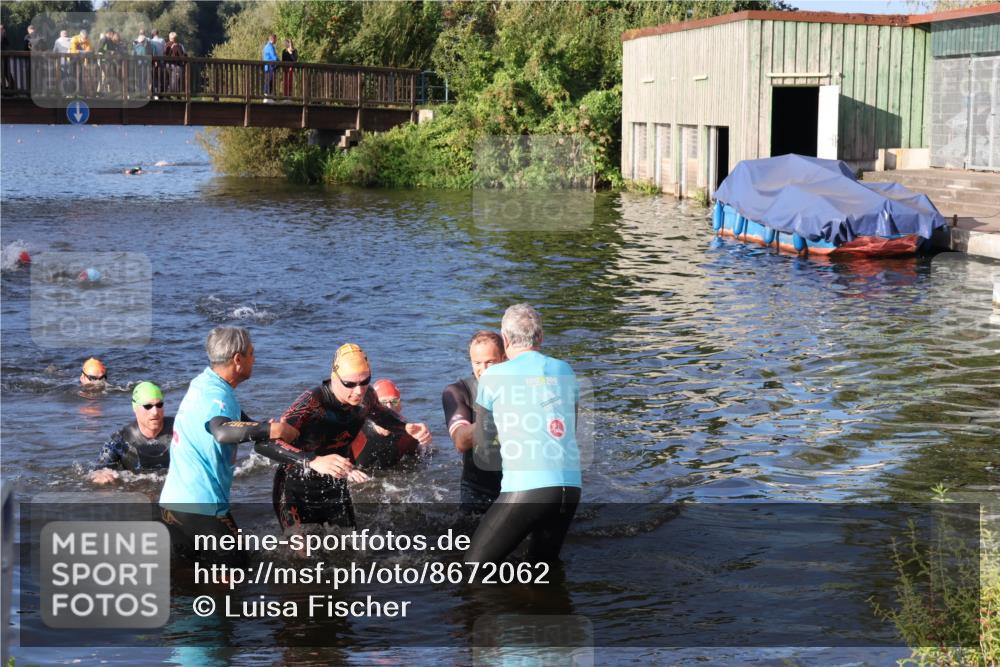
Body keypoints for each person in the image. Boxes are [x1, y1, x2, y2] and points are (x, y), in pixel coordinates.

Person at [159, 327, 299, 567]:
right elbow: (223, 431)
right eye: (251, 353)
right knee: (238, 577)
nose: (255, 359)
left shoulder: (204, 383)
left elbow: (245, 428)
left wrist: (295, 450)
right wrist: (275, 430)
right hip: (203, 510)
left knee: (188, 584)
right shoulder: (217, 396)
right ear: (237, 359)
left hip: (171, 508)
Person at [255, 343, 432, 531]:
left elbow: (381, 415)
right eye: (350, 384)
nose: (359, 391)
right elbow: (264, 444)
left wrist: (405, 427)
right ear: (334, 378)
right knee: (299, 556)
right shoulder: (312, 402)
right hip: (294, 486)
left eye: (365, 382)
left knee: (350, 549)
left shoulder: (368, 396)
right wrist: (313, 460)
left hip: (335, 485)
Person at [465, 304, 582, 566]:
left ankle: (495, 607)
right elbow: (568, 430)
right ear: (540, 337)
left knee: (474, 569)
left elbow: (483, 448)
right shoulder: (565, 370)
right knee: (542, 568)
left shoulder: (493, 376)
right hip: (571, 487)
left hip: (527, 489)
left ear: (505, 340)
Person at [442, 331, 506, 515]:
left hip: (516, 486)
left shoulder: (518, 388)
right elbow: (460, 441)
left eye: (490, 362)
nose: (483, 370)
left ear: (503, 359)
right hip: (477, 489)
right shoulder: (458, 391)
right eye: (477, 363)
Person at [90, 382, 173, 484]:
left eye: (159, 405)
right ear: (135, 408)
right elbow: (97, 470)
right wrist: (101, 475)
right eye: (148, 406)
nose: (155, 412)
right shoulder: (120, 440)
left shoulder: (181, 429)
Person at [353, 379, 422, 470]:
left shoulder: (408, 433)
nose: (389, 407)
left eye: (394, 402)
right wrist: (348, 471)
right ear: (372, 406)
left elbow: (418, 458)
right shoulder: (356, 430)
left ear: (400, 406)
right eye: (383, 402)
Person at [261, 33, 277, 100]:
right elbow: (274, 57)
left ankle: (267, 97)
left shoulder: (266, 46)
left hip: (267, 66)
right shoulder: (270, 46)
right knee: (269, 81)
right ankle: (268, 97)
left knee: (267, 81)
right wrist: (279, 61)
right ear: (272, 39)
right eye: (276, 39)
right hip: (270, 66)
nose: (276, 40)